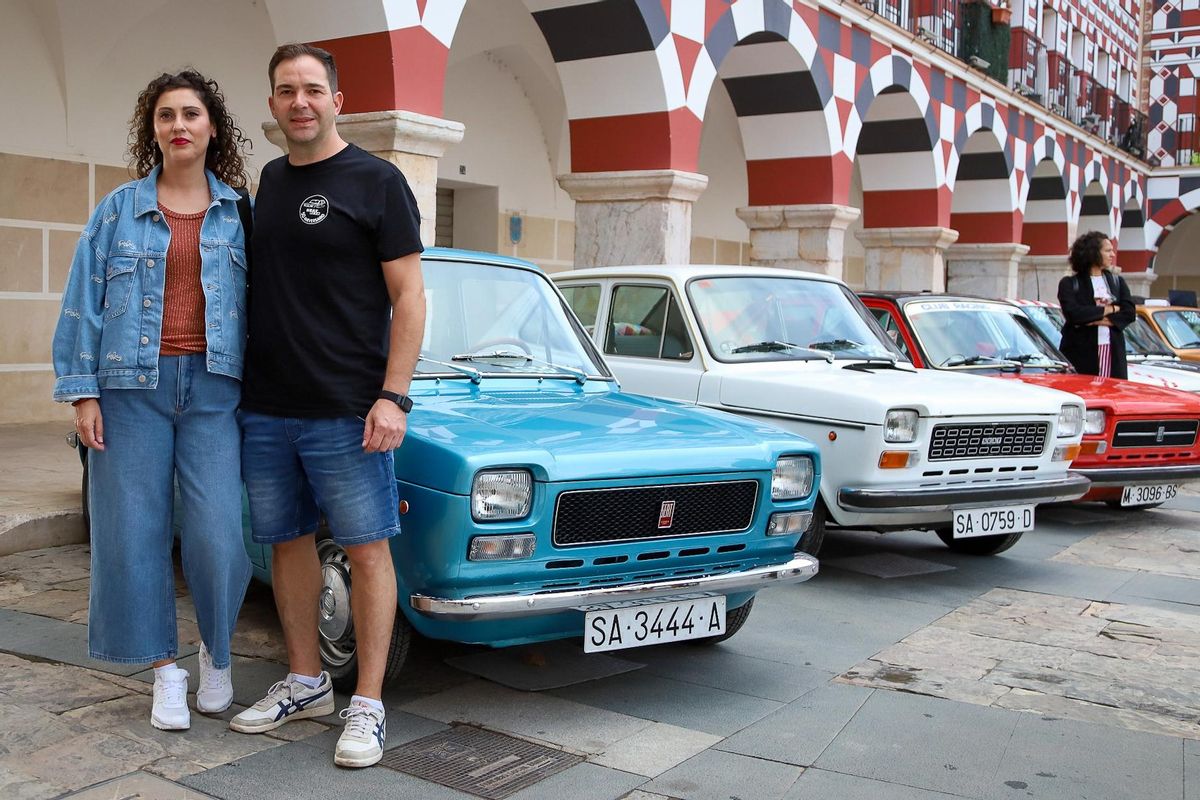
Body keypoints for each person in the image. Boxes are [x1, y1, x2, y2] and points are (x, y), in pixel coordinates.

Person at [228, 44, 425, 769]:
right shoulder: (272, 181)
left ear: (338, 101)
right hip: (268, 407)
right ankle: (307, 681)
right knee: (285, 542)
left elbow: (409, 298)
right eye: (286, 91)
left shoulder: (378, 181)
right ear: (274, 106)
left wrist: (392, 396)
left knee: (368, 550)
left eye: (313, 89)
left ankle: (367, 704)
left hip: (348, 408)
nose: (300, 102)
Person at [51, 70, 253, 731]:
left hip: (215, 391)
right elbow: (82, 300)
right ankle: (165, 671)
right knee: (130, 532)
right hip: (129, 388)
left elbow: (265, 310)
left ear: (212, 127)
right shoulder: (116, 210)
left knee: (219, 533)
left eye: (191, 113)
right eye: (166, 115)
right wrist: (82, 393)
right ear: (154, 130)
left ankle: (216, 655)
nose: (179, 125)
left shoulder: (238, 213)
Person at [1057, 231, 1136, 379]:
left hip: (1113, 353)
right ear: (1092, 253)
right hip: (1081, 353)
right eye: (1107, 251)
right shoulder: (1069, 283)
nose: (1112, 255)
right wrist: (1112, 309)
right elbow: (1074, 314)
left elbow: (1129, 313)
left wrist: (1094, 319)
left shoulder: (1118, 283)